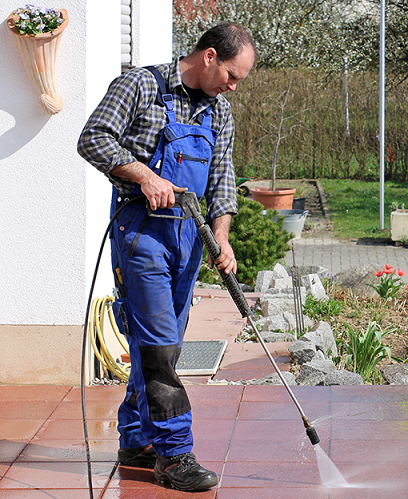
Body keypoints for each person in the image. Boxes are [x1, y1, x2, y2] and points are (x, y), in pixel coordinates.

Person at [77, 23, 256, 492]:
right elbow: (93, 138)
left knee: (162, 343)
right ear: (210, 56)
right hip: (142, 233)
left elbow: (221, 178)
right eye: (232, 76)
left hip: (189, 238)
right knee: (159, 346)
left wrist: (222, 238)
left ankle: (137, 440)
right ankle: (174, 454)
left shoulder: (220, 111)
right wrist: (145, 176)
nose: (233, 87)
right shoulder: (140, 85)